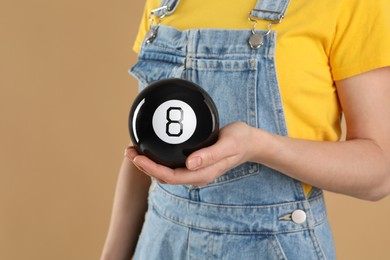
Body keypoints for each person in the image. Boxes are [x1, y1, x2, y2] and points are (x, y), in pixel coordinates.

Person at [101, 0, 390, 259]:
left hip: (274, 247)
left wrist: (260, 147)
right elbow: (145, 151)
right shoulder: (164, 3)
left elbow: (380, 171)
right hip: (159, 244)